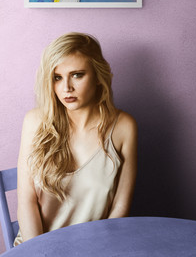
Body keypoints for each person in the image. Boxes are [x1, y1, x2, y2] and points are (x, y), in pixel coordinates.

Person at [14, 32, 137, 246]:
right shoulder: (35, 122)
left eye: (77, 75)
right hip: (36, 249)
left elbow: (120, 208)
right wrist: (38, 253)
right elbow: (26, 201)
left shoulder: (124, 127)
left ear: (99, 76)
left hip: (97, 248)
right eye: (57, 77)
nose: (66, 88)